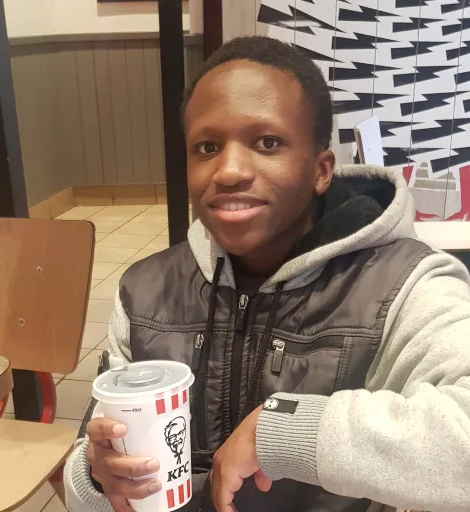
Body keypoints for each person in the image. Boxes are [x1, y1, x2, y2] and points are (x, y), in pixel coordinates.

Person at [64, 36, 470, 512]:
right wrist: (96, 476)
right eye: (207, 147)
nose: (229, 171)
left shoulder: (408, 285)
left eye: (267, 143)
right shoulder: (145, 291)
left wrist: (282, 432)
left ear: (321, 170)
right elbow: (88, 466)